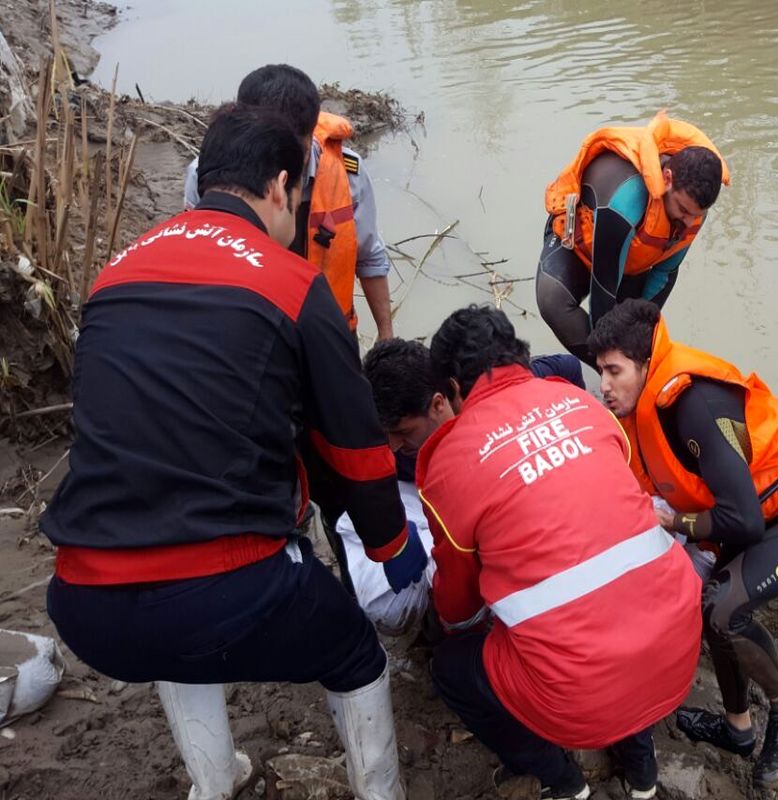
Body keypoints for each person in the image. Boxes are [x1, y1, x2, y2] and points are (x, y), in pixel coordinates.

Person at [42, 104, 426, 800]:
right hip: (225, 593)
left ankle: (213, 784)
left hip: (84, 602)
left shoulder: (114, 274)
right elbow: (353, 446)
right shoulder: (292, 283)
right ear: (280, 187)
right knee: (353, 652)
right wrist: (391, 546)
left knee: (175, 642)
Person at [416, 306, 702, 800]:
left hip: (578, 697)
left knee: (452, 668)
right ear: (518, 356)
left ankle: (561, 781)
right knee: (619, 600)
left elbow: (458, 607)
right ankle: (642, 772)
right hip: (677, 648)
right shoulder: (583, 403)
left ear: (454, 389)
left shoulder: (450, 458)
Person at [587, 300, 778, 790]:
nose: (603, 385)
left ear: (645, 364)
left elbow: (744, 522)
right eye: (599, 370)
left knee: (723, 608)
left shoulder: (695, 406)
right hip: (754, 508)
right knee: (713, 600)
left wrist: (676, 522)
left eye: (613, 371)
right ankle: (737, 729)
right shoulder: (642, 407)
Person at [334, 340, 586, 631]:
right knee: (391, 609)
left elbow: (568, 366)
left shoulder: (491, 394)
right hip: (418, 497)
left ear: (438, 403)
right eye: (386, 434)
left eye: (403, 432)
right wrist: (391, 532)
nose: (393, 446)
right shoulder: (389, 445)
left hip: (484, 490)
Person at [184, 64, 395, 339]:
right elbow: (199, 263)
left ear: (311, 132)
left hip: (329, 334)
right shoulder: (208, 176)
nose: (284, 167)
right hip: (250, 333)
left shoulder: (348, 174)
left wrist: (386, 334)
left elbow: (369, 256)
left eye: (295, 153)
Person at [537, 111, 729, 367]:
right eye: (683, 210)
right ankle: (609, 373)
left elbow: (665, 273)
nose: (689, 222)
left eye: (697, 215)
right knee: (552, 301)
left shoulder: (692, 212)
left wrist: (639, 339)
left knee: (636, 340)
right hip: (581, 245)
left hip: (630, 260)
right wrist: (611, 362)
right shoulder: (626, 201)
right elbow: (604, 288)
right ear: (667, 179)